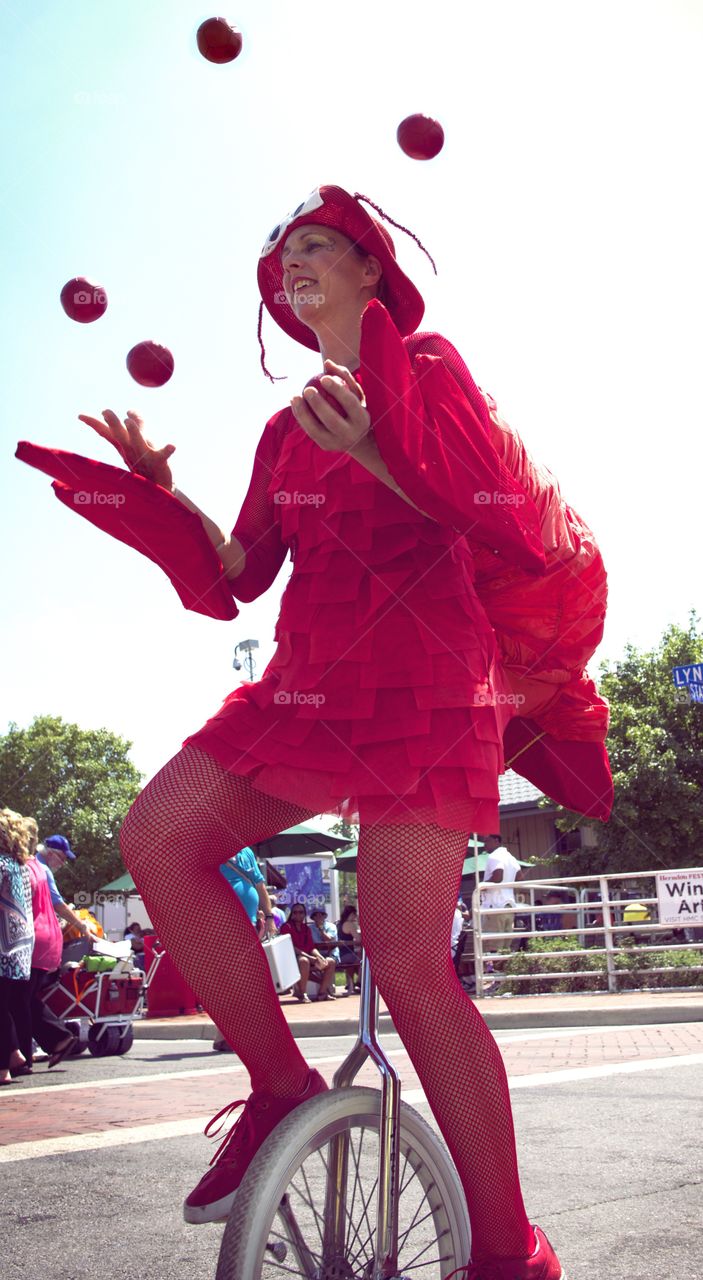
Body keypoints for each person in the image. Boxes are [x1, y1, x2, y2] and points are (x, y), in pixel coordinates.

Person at [26, 183, 615, 1275]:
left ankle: (505, 1251)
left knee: (406, 959)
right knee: (157, 830)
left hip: (429, 687)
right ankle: (282, 1083)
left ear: (365, 271)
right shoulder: (281, 428)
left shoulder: (430, 371)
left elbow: (490, 518)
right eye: (281, 254)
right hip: (308, 687)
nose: (291, 263)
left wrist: (381, 450)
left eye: (314, 246)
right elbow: (238, 576)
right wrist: (160, 494)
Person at [23, 819, 78, 1069]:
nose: (63, 863)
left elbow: (57, 904)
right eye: (63, 858)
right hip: (42, 942)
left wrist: (81, 925)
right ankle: (29, 1049)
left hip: (32, 941)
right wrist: (82, 926)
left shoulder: (33, 868)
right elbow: (58, 904)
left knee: (19, 997)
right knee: (22, 997)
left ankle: (49, 1041)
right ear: (52, 853)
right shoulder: (40, 868)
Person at [211, 847, 278, 1050]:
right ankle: (233, 1034)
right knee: (237, 980)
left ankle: (224, 1036)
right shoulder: (213, 848)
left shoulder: (246, 852)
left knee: (242, 980)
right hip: (225, 924)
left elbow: (259, 886)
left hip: (249, 923)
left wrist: (269, 917)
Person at [0, 809, 34, 1085]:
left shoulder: (1, 864)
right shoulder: (20, 864)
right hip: (19, 946)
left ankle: (5, 1066)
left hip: (2, 946)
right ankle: (13, 1054)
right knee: (6, 1005)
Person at [280, 904, 336, 1002]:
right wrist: (309, 957)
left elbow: (311, 947)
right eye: (295, 912)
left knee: (330, 961)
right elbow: (291, 947)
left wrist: (319, 956)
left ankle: (322, 993)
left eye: (301, 912)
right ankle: (302, 994)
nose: (298, 914)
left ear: (304, 914)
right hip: (292, 959)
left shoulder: (306, 928)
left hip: (308, 957)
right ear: (292, 914)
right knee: (304, 961)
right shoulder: (286, 927)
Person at [480, 835, 524, 939]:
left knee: (493, 946)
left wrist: (482, 886)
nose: (484, 844)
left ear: (496, 841)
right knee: (505, 946)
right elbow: (520, 878)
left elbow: (498, 876)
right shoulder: (511, 858)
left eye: (487, 841)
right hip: (509, 905)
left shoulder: (494, 856)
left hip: (495, 905)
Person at [336, 904, 362, 994]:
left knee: (357, 957)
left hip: (339, 954)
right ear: (352, 914)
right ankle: (360, 981)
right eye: (355, 914)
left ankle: (351, 983)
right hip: (346, 955)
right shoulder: (349, 924)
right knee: (364, 959)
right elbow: (359, 939)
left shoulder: (339, 924)